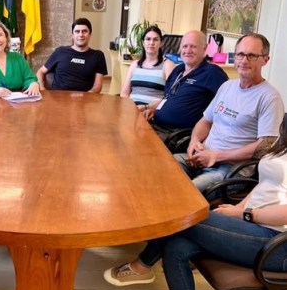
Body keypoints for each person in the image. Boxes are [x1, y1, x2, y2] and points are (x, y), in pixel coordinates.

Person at [105, 113, 287, 290]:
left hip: (276, 244)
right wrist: (240, 208)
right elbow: (265, 185)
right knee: (177, 246)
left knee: (184, 214)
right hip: (253, 225)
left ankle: (143, 265)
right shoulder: (282, 143)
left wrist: (246, 215)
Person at [176, 32, 285, 191]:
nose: (244, 61)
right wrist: (194, 141)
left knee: (185, 192)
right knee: (162, 168)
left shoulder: (270, 97)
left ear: (265, 60)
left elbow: (265, 146)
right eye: (240, 54)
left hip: (231, 169)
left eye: (252, 56)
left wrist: (216, 156)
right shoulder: (227, 86)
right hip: (201, 157)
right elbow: (205, 121)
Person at [143, 30, 228, 141]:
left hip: (176, 134)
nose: (188, 51)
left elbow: (226, 105)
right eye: (185, 46)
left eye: (193, 46)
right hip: (155, 124)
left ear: (204, 48)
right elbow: (167, 98)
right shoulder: (178, 70)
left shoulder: (212, 73)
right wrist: (155, 111)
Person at [36, 18, 108, 92]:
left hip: (84, 97)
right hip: (58, 97)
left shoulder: (98, 56)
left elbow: (97, 86)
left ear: (90, 35)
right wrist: (42, 89)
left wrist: (89, 95)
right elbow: (41, 71)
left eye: (84, 31)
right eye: (77, 31)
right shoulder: (60, 51)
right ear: (73, 35)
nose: (81, 35)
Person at [120, 25, 177, 110]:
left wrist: (146, 107)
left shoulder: (168, 65)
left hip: (152, 112)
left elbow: (170, 96)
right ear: (143, 42)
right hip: (131, 110)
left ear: (161, 43)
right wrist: (130, 108)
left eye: (155, 39)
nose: (151, 43)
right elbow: (124, 92)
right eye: (148, 39)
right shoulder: (134, 64)